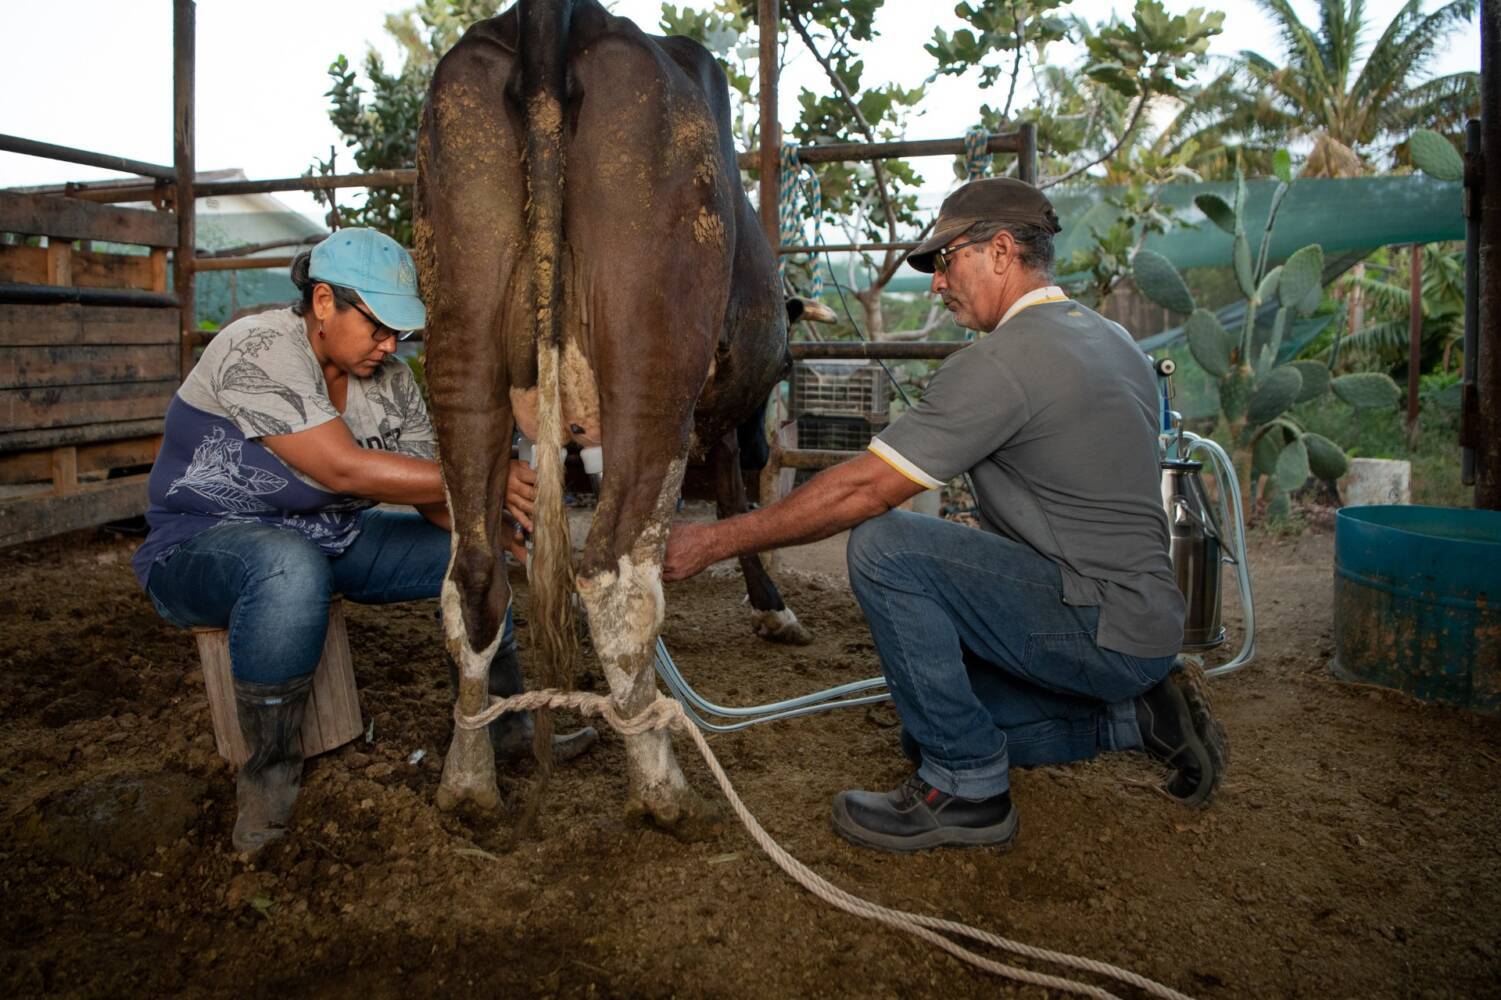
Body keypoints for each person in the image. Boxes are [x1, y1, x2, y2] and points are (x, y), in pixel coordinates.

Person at [663, 178, 1227, 854]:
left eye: (946, 259)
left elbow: (864, 491)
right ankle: (1132, 718)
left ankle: (966, 790)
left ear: (998, 251)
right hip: (1141, 624)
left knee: (886, 545)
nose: (936, 284)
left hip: (1092, 624)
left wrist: (715, 540)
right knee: (924, 723)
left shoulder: (1004, 362)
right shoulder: (1111, 341)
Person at [133, 228, 594, 855]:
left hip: (331, 537)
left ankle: (505, 724)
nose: (388, 345)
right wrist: (482, 479)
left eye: (399, 333)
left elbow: (439, 499)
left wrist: (500, 530)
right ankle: (269, 777)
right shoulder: (260, 345)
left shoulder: (392, 380)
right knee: (289, 569)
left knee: (467, 556)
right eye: (377, 327)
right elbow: (341, 469)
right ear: (323, 302)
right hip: (201, 543)